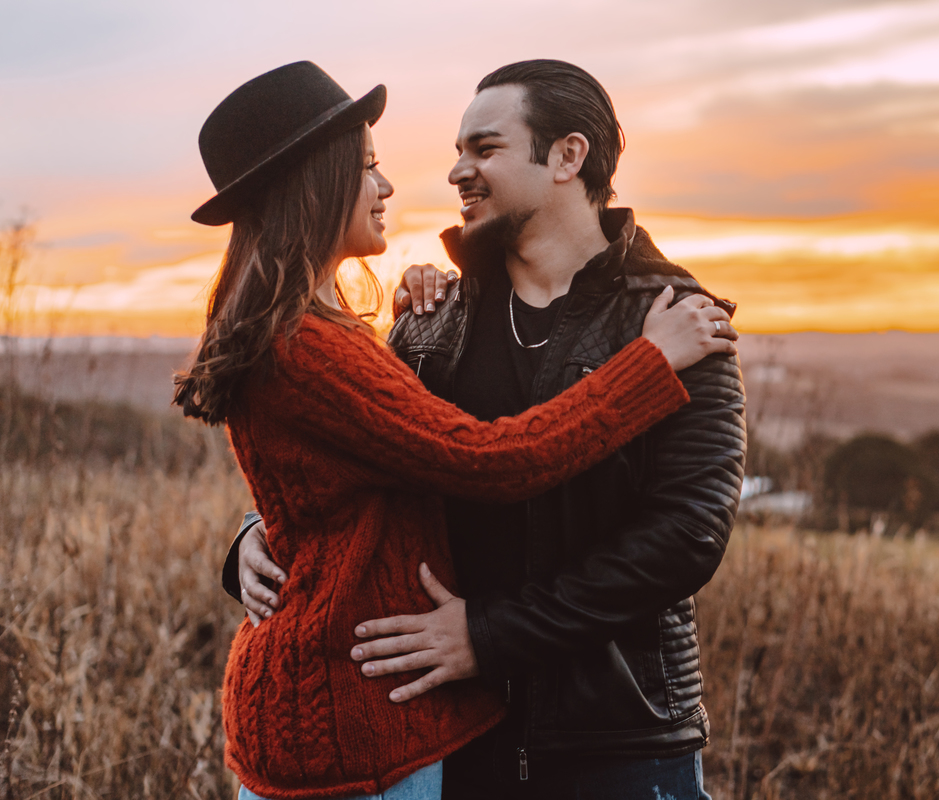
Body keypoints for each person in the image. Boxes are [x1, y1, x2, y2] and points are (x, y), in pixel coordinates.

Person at [178, 61, 737, 800]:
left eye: (484, 149)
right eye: (456, 149)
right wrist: (259, 530)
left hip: (618, 737)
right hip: (457, 733)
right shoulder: (431, 318)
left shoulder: (672, 321)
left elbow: (687, 536)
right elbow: (365, 457)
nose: (454, 172)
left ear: (568, 157)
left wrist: (490, 636)